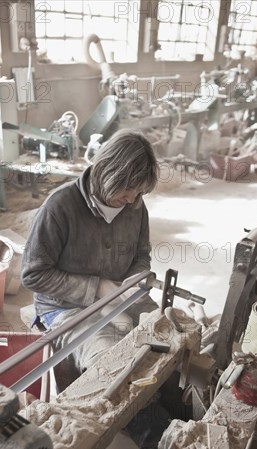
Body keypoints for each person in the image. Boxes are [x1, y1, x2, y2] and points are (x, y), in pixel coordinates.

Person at [21, 129, 158, 389]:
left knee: (164, 333)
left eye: (139, 192)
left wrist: (137, 276)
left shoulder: (135, 206)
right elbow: (32, 273)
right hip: (63, 306)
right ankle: (148, 427)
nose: (131, 199)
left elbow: (141, 255)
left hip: (122, 294)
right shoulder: (59, 207)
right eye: (128, 189)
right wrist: (95, 287)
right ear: (107, 171)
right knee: (110, 362)